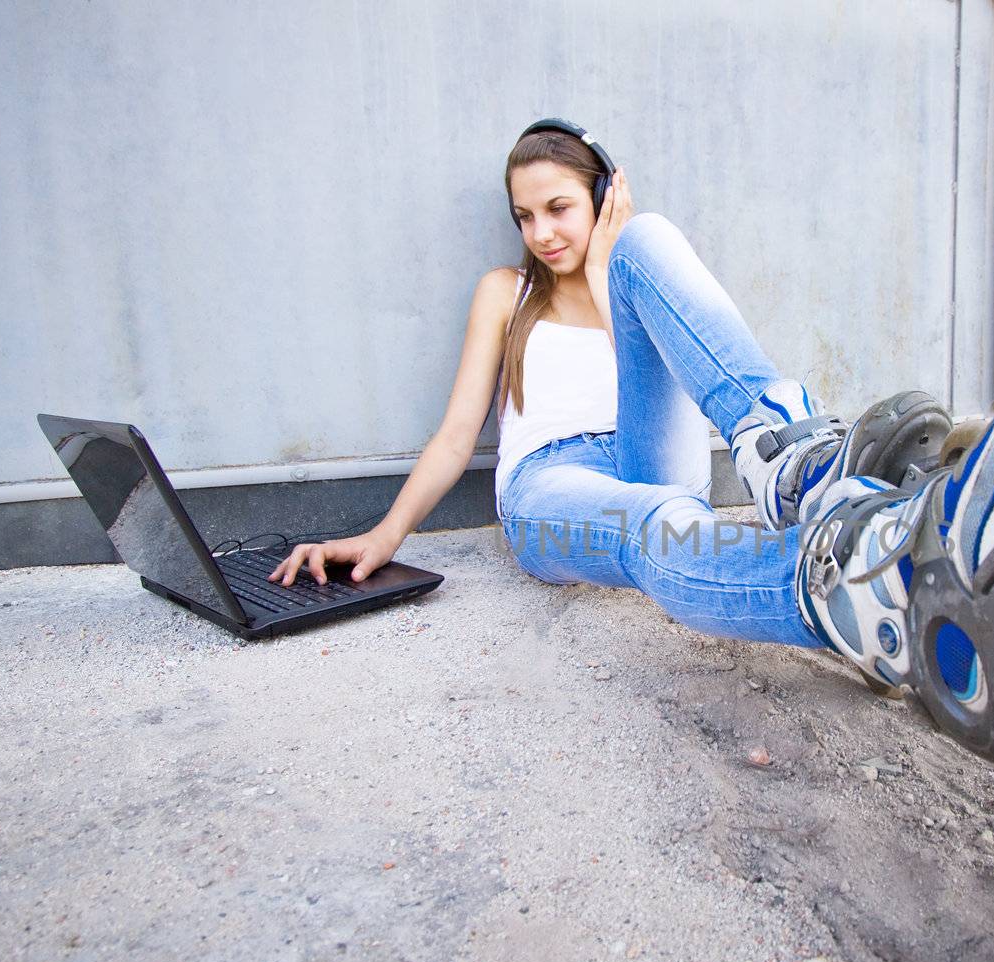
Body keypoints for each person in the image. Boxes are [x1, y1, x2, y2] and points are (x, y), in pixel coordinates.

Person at [266, 119, 950, 656]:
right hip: (551, 483)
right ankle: (847, 591)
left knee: (649, 236)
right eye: (524, 216)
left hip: (641, 454)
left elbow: (654, 383)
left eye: (559, 207)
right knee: (656, 521)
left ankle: (796, 467)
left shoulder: (631, 284)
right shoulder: (506, 293)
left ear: (599, 194)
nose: (542, 233)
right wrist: (384, 535)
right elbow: (454, 437)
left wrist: (604, 268)